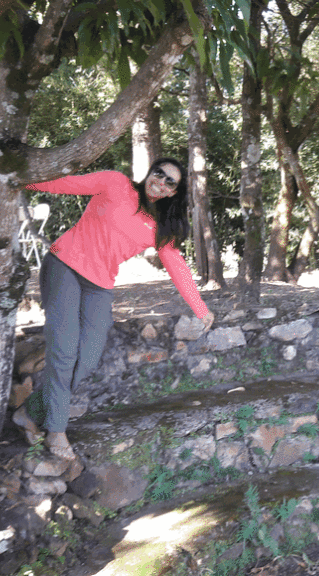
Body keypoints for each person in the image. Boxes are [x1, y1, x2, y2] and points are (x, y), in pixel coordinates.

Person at [14, 158, 214, 459]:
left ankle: (27, 413)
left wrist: (201, 308)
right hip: (63, 266)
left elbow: (177, 265)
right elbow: (67, 184)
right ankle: (57, 432)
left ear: (174, 192)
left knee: (89, 356)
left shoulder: (160, 227)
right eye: (158, 173)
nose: (160, 181)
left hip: (99, 285)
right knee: (65, 349)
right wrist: (18, 178)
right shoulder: (115, 183)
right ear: (149, 173)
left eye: (170, 181)